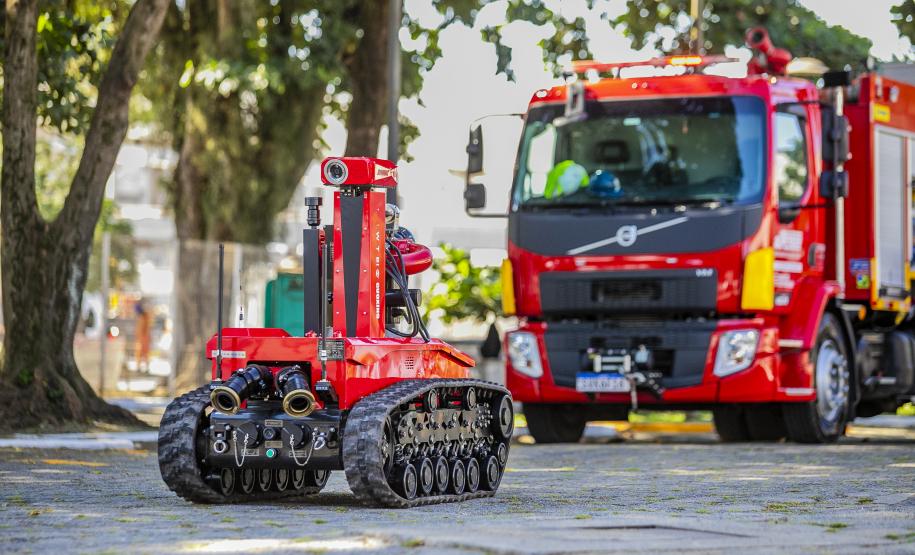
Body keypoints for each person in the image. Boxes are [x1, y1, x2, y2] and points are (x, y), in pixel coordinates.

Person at [134, 300, 152, 372]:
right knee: (141, 353)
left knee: (144, 353)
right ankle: (140, 367)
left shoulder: (144, 317)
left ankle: (145, 367)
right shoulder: (143, 317)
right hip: (142, 338)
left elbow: (144, 329)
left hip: (144, 338)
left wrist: (142, 337)